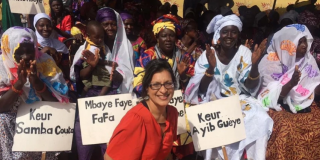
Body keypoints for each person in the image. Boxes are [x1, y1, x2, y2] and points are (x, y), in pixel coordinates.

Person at [184, 14, 273, 160]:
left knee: (260, 117)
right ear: (219, 33)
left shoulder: (244, 53)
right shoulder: (209, 54)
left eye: (234, 32)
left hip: (238, 100)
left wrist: (255, 65)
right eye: (225, 32)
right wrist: (211, 69)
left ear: (238, 35)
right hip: (211, 100)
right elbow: (199, 90)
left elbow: (250, 85)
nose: (229, 36)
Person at [70, 8, 134, 160]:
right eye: (105, 24)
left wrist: (115, 74)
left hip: (116, 106)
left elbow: (129, 76)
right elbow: (75, 76)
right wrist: (94, 66)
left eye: (113, 24)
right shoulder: (87, 48)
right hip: (91, 106)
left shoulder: (126, 46)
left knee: (111, 150)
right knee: (87, 150)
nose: (110, 28)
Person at [0, 27, 68, 159]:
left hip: (42, 114)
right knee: (2, 120)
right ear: (9, 50)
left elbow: (59, 104)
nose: (26, 57)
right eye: (19, 52)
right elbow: (1, 107)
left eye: (29, 51)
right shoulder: (2, 66)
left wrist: (37, 82)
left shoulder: (45, 62)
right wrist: (19, 83)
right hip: (14, 116)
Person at [257, 24, 320, 159]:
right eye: (299, 42)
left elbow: (313, 88)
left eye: (305, 41)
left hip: (303, 104)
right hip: (276, 107)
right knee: (286, 127)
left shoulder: (308, 60)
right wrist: (291, 83)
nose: (304, 45)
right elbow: (268, 97)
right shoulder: (270, 61)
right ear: (286, 44)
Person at [105, 59, 178, 160]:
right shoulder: (136, 120)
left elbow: (166, 154)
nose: (163, 90)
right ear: (147, 88)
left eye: (168, 83)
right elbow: (109, 158)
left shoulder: (173, 114)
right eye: (156, 85)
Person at [133, 14, 194, 97]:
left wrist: (183, 76)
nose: (168, 39)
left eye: (171, 36)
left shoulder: (185, 57)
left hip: (179, 101)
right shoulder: (148, 56)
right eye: (164, 36)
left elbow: (194, 87)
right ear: (157, 38)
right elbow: (138, 84)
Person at [33, 13, 70, 80]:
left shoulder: (59, 45)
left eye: (48, 25)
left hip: (57, 81)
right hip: (38, 82)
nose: (45, 28)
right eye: (41, 25)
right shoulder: (31, 44)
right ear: (35, 26)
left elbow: (65, 68)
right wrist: (43, 52)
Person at [81, 21, 111, 97]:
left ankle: (82, 97)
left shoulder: (96, 44)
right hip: (93, 64)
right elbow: (95, 60)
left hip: (95, 64)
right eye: (97, 37)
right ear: (89, 36)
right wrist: (108, 63)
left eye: (102, 37)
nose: (100, 40)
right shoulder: (91, 46)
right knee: (107, 81)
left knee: (88, 83)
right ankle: (100, 96)